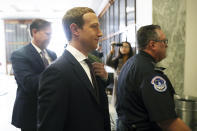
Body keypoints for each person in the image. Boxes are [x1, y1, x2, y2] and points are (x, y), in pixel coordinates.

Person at [37, 7, 111, 131]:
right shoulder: (56, 72)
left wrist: (105, 79)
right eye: (94, 27)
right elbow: (50, 125)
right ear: (75, 29)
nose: (100, 33)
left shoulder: (92, 63)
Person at [116, 25, 191, 131]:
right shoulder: (150, 73)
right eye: (164, 41)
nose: (166, 45)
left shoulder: (131, 63)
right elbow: (167, 121)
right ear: (153, 45)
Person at [11, 19, 57, 131]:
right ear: (35, 32)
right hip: (30, 113)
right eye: (47, 34)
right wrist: (56, 74)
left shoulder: (52, 54)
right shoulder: (19, 55)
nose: (50, 38)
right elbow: (29, 83)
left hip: (51, 110)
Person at [106, 41, 133, 106]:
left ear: (130, 49)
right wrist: (112, 50)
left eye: (126, 47)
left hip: (130, 84)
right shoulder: (117, 59)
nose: (123, 48)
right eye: (121, 47)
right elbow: (108, 62)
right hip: (119, 84)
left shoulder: (133, 60)